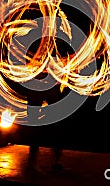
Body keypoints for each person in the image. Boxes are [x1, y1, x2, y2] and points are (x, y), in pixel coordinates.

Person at [25, 37, 74, 173]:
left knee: (57, 122)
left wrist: (68, 65)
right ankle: (32, 161)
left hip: (51, 84)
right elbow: (26, 57)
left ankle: (57, 160)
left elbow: (69, 58)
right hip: (36, 84)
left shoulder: (60, 40)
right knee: (34, 122)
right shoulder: (35, 37)